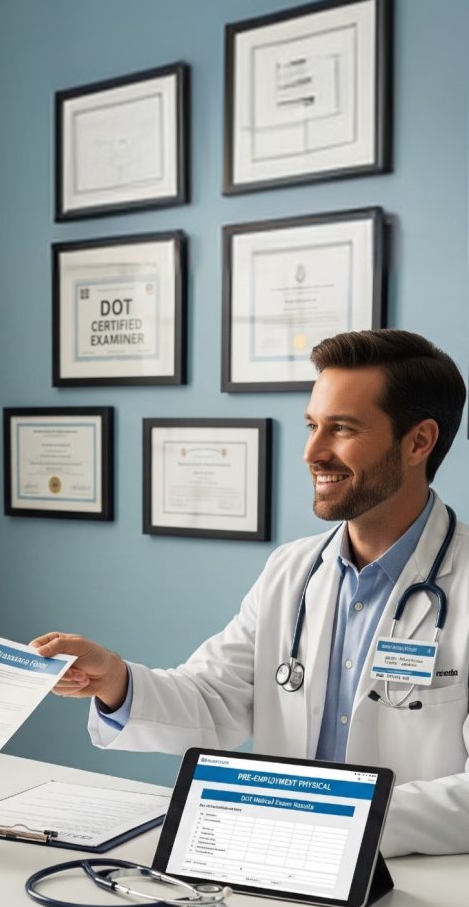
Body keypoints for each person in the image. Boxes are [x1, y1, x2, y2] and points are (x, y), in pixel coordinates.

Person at [32, 329, 469, 859]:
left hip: (416, 890)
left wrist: (332, 822)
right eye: (312, 426)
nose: (313, 451)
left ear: (419, 441)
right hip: (275, 868)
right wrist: (117, 681)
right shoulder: (293, 570)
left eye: (342, 429)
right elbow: (214, 700)